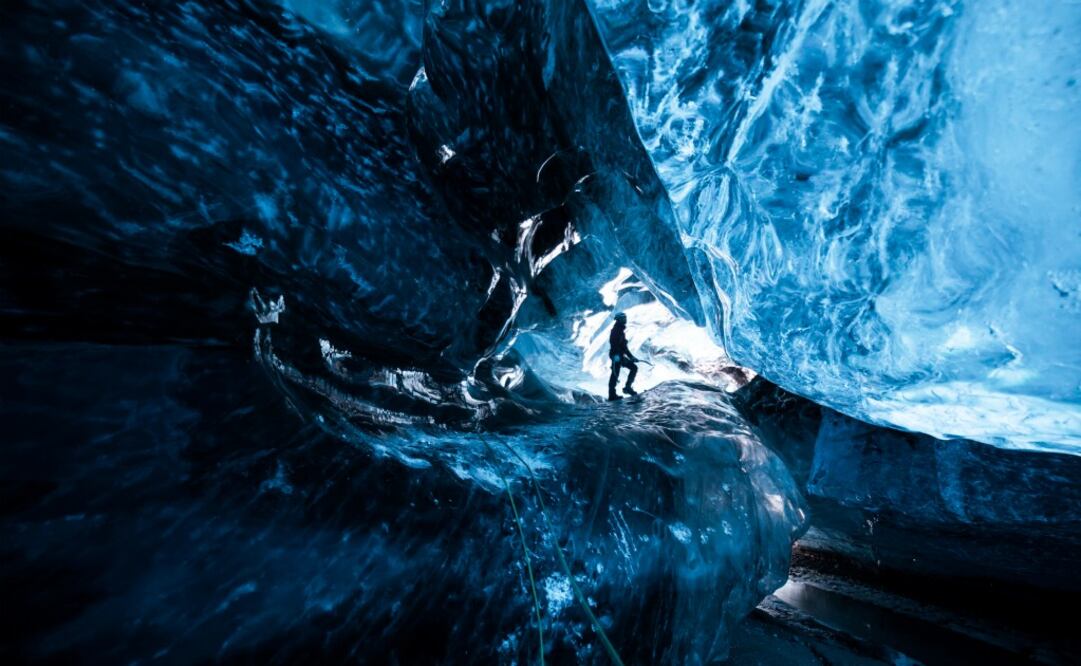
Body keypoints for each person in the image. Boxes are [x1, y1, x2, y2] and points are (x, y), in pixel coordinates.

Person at [608, 312, 638, 401]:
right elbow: (615, 344)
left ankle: (626, 388)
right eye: (623, 318)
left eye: (625, 317)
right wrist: (617, 356)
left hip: (618, 355)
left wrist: (631, 357)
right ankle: (613, 394)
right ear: (619, 319)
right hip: (616, 355)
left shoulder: (620, 330)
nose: (625, 319)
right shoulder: (616, 330)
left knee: (631, 368)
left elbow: (624, 346)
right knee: (615, 374)